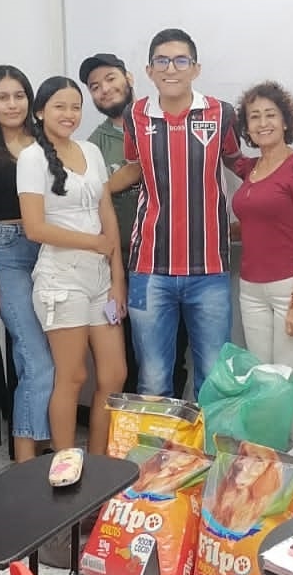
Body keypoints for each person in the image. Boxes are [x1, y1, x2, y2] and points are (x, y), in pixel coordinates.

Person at [120, 29, 242, 398]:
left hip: (209, 270)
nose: (171, 68)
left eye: (180, 60)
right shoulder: (136, 114)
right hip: (149, 269)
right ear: (149, 69)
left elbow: (237, 163)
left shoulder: (221, 113)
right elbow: (131, 169)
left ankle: (203, 457)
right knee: (154, 378)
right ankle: (155, 458)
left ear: (195, 68)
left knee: (212, 377)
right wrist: (90, 189)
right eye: (162, 60)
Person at [17, 76, 128, 458]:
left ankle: (96, 464)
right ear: (40, 112)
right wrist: (93, 243)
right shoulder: (31, 157)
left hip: (100, 276)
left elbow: (106, 211)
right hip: (60, 278)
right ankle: (66, 467)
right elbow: (34, 228)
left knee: (114, 376)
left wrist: (117, 279)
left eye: (75, 106)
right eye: (60, 106)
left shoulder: (90, 150)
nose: (69, 114)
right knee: (74, 376)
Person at [82, 52, 191, 398]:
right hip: (126, 266)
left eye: (110, 79)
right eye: (95, 87)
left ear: (129, 77)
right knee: (133, 358)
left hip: (177, 260)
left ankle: (171, 443)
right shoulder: (94, 146)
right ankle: (130, 443)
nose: (105, 90)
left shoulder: (159, 118)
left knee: (174, 357)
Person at [228, 80, 293, 443]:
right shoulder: (250, 169)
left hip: (292, 289)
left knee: (289, 384)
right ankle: (273, 474)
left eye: (271, 115)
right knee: (265, 384)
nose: (262, 122)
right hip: (251, 289)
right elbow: (256, 224)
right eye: (254, 117)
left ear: (286, 121)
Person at [0, 65, 54, 463]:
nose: (11, 104)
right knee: (36, 357)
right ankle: (26, 460)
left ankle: (38, 445)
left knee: (40, 357)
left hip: (52, 249)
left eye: (19, 95)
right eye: (2, 97)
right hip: (6, 250)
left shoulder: (46, 142)